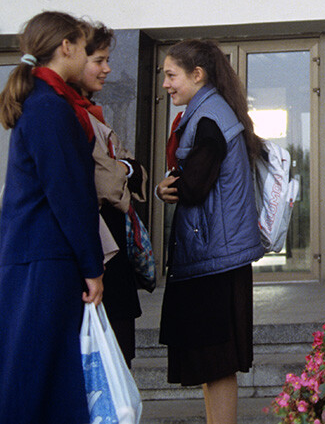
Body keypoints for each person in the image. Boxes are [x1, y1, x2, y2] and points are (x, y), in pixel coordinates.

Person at [0, 11, 103, 424]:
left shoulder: (43, 102)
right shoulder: (50, 106)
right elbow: (68, 194)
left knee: (27, 376)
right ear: (66, 47)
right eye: (84, 47)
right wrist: (92, 266)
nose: (89, 57)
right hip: (46, 261)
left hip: (35, 257)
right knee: (32, 380)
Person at [155, 39, 266, 424]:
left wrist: (167, 187)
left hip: (213, 260)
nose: (166, 84)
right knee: (212, 360)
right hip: (219, 256)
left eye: (171, 75)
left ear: (197, 75)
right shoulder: (214, 111)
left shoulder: (208, 119)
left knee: (216, 360)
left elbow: (195, 185)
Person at [74, 24, 146, 365]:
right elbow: (109, 181)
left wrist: (126, 169)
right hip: (98, 253)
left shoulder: (89, 111)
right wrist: (126, 170)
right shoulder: (69, 114)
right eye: (99, 60)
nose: (108, 69)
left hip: (107, 252)